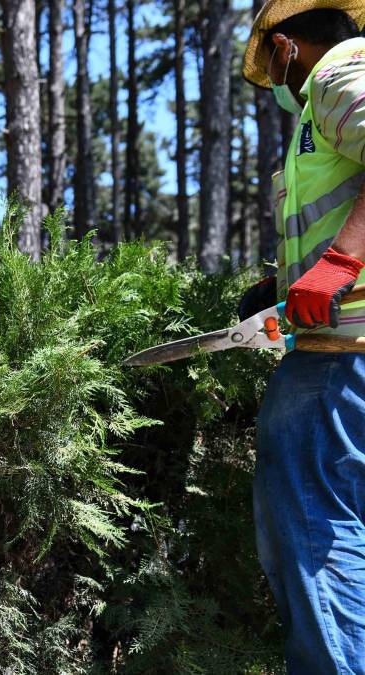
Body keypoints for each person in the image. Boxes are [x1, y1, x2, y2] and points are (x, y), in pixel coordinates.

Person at [241, 1, 365, 671]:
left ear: (286, 47)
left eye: (275, 68)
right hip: (341, 349)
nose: (281, 87)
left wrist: (341, 262)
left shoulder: (342, 75)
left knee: (317, 535)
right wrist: (286, 281)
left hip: (342, 356)